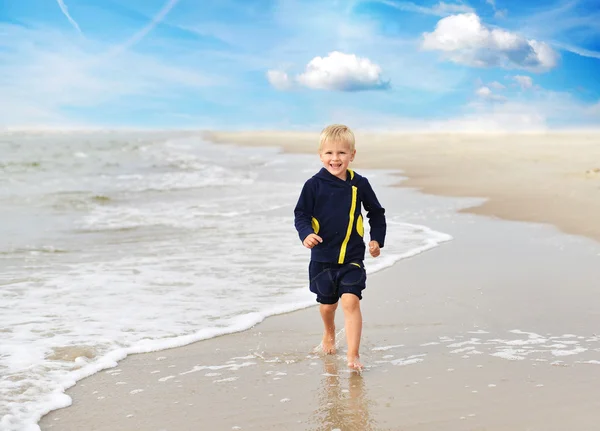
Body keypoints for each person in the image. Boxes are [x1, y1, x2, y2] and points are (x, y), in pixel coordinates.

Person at [294, 124, 387, 371]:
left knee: (350, 301)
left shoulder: (360, 184)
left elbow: (376, 213)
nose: (335, 159)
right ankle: (329, 332)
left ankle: (353, 356)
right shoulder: (313, 185)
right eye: (329, 153)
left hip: (352, 257)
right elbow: (301, 214)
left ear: (352, 155)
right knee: (327, 305)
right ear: (320, 155)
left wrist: (377, 239)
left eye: (342, 153)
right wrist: (306, 234)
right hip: (323, 258)